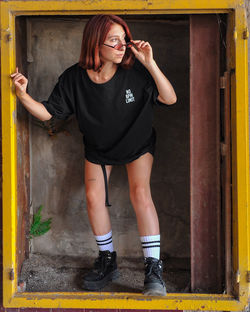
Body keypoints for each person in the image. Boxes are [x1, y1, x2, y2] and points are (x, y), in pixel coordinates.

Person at [10, 14, 177, 296]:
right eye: (114, 40)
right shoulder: (74, 78)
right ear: (94, 44)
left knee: (140, 194)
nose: (122, 45)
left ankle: (153, 268)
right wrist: (23, 95)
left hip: (137, 144)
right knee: (92, 197)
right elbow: (50, 112)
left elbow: (169, 98)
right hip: (99, 149)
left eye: (124, 39)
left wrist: (150, 62)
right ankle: (107, 260)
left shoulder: (135, 71)